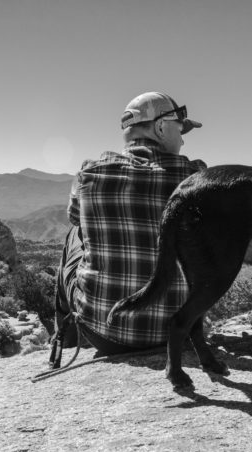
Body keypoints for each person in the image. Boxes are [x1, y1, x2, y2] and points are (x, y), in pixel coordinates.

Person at [54, 92, 206, 355]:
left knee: (73, 235)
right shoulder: (196, 179)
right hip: (178, 332)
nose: (182, 139)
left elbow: (75, 218)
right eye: (180, 129)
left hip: (103, 333)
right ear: (160, 127)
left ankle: (63, 341)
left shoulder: (90, 173)